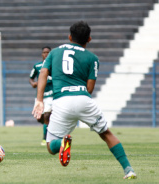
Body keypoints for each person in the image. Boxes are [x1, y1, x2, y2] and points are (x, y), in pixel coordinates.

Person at [32, 21, 137, 179]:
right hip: (83, 99)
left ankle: (61, 143)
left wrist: (39, 100)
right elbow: (90, 88)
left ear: (69, 36)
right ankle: (128, 169)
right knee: (106, 133)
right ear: (89, 39)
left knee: (50, 147)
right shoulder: (93, 58)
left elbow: (43, 73)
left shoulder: (54, 52)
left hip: (61, 101)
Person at [29, 46, 53, 146]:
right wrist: (33, 83)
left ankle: (45, 138)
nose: (46, 54)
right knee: (39, 117)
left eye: (48, 52)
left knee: (47, 115)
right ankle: (49, 127)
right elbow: (31, 78)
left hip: (51, 95)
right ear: (42, 54)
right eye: (44, 52)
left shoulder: (54, 66)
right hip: (40, 96)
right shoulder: (37, 66)